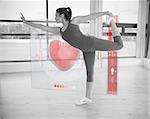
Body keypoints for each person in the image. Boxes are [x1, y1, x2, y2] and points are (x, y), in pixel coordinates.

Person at [20, 7, 123, 105]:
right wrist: (26, 22)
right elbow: (42, 27)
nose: (55, 18)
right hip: (86, 50)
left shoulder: (74, 21)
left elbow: (90, 16)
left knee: (119, 45)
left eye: (56, 16)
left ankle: (111, 22)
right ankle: (87, 98)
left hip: (92, 43)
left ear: (62, 16)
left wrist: (105, 13)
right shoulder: (60, 31)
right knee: (90, 73)